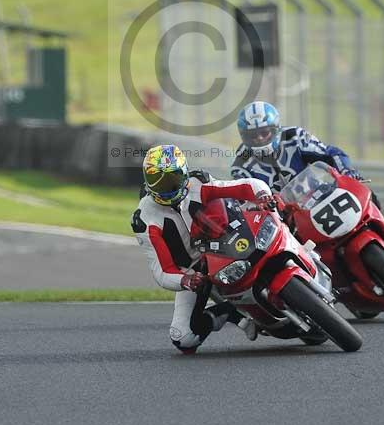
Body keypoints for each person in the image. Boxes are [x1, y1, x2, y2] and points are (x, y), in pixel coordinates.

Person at [131, 144, 273, 354]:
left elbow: (244, 186)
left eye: (173, 178)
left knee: (276, 214)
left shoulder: (198, 183)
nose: (167, 186)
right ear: (146, 179)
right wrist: (186, 280)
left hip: (229, 239)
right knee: (183, 338)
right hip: (196, 269)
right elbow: (162, 270)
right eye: (158, 180)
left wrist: (262, 195)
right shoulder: (144, 219)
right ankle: (227, 312)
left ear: (185, 172)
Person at [231, 101, 364, 193]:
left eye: (264, 132)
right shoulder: (241, 162)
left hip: (316, 198)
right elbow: (243, 196)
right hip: (280, 219)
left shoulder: (295, 137)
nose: (259, 138)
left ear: (275, 129)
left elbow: (331, 153)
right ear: (244, 136)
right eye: (253, 135)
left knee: (367, 197)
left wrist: (346, 170)